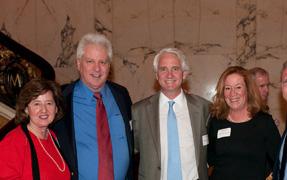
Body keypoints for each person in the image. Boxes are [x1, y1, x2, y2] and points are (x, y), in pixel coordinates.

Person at [52, 33, 133, 180]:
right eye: (90, 61)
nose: (97, 69)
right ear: (78, 64)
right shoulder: (61, 99)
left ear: (109, 66)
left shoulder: (122, 95)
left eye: (103, 62)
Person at [132, 47, 211, 180]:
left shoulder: (203, 107)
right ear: (157, 75)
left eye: (175, 68)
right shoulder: (139, 111)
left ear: (184, 74)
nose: (169, 75)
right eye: (163, 69)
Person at [207, 66, 280, 180]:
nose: (233, 94)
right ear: (222, 92)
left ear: (248, 90)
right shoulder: (216, 121)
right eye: (228, 88)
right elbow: (210, 158)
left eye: (238, 87)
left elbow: (278, 161)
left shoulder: (264, 122)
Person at [0, 79, 71, 179]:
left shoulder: (55, 138)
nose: (44, 110)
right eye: (37, 104)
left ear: (56, 108)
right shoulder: (14, 141)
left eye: (49, 103)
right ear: (26, 109)